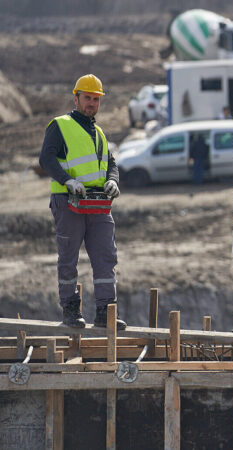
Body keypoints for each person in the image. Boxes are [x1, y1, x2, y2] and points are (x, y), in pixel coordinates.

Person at [38, 74, 126, 330]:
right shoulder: (60, 125)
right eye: (87, 98)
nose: (92, 103)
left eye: (96, 99)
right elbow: (46, 158)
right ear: (76, 98)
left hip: (97, 203)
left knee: (106, 256)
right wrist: (67, 180)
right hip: (68, 201)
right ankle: (70, 309)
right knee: (68, 257)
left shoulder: (98, 131)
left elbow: (110, 162)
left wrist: (113, 180)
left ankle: (105, 312)